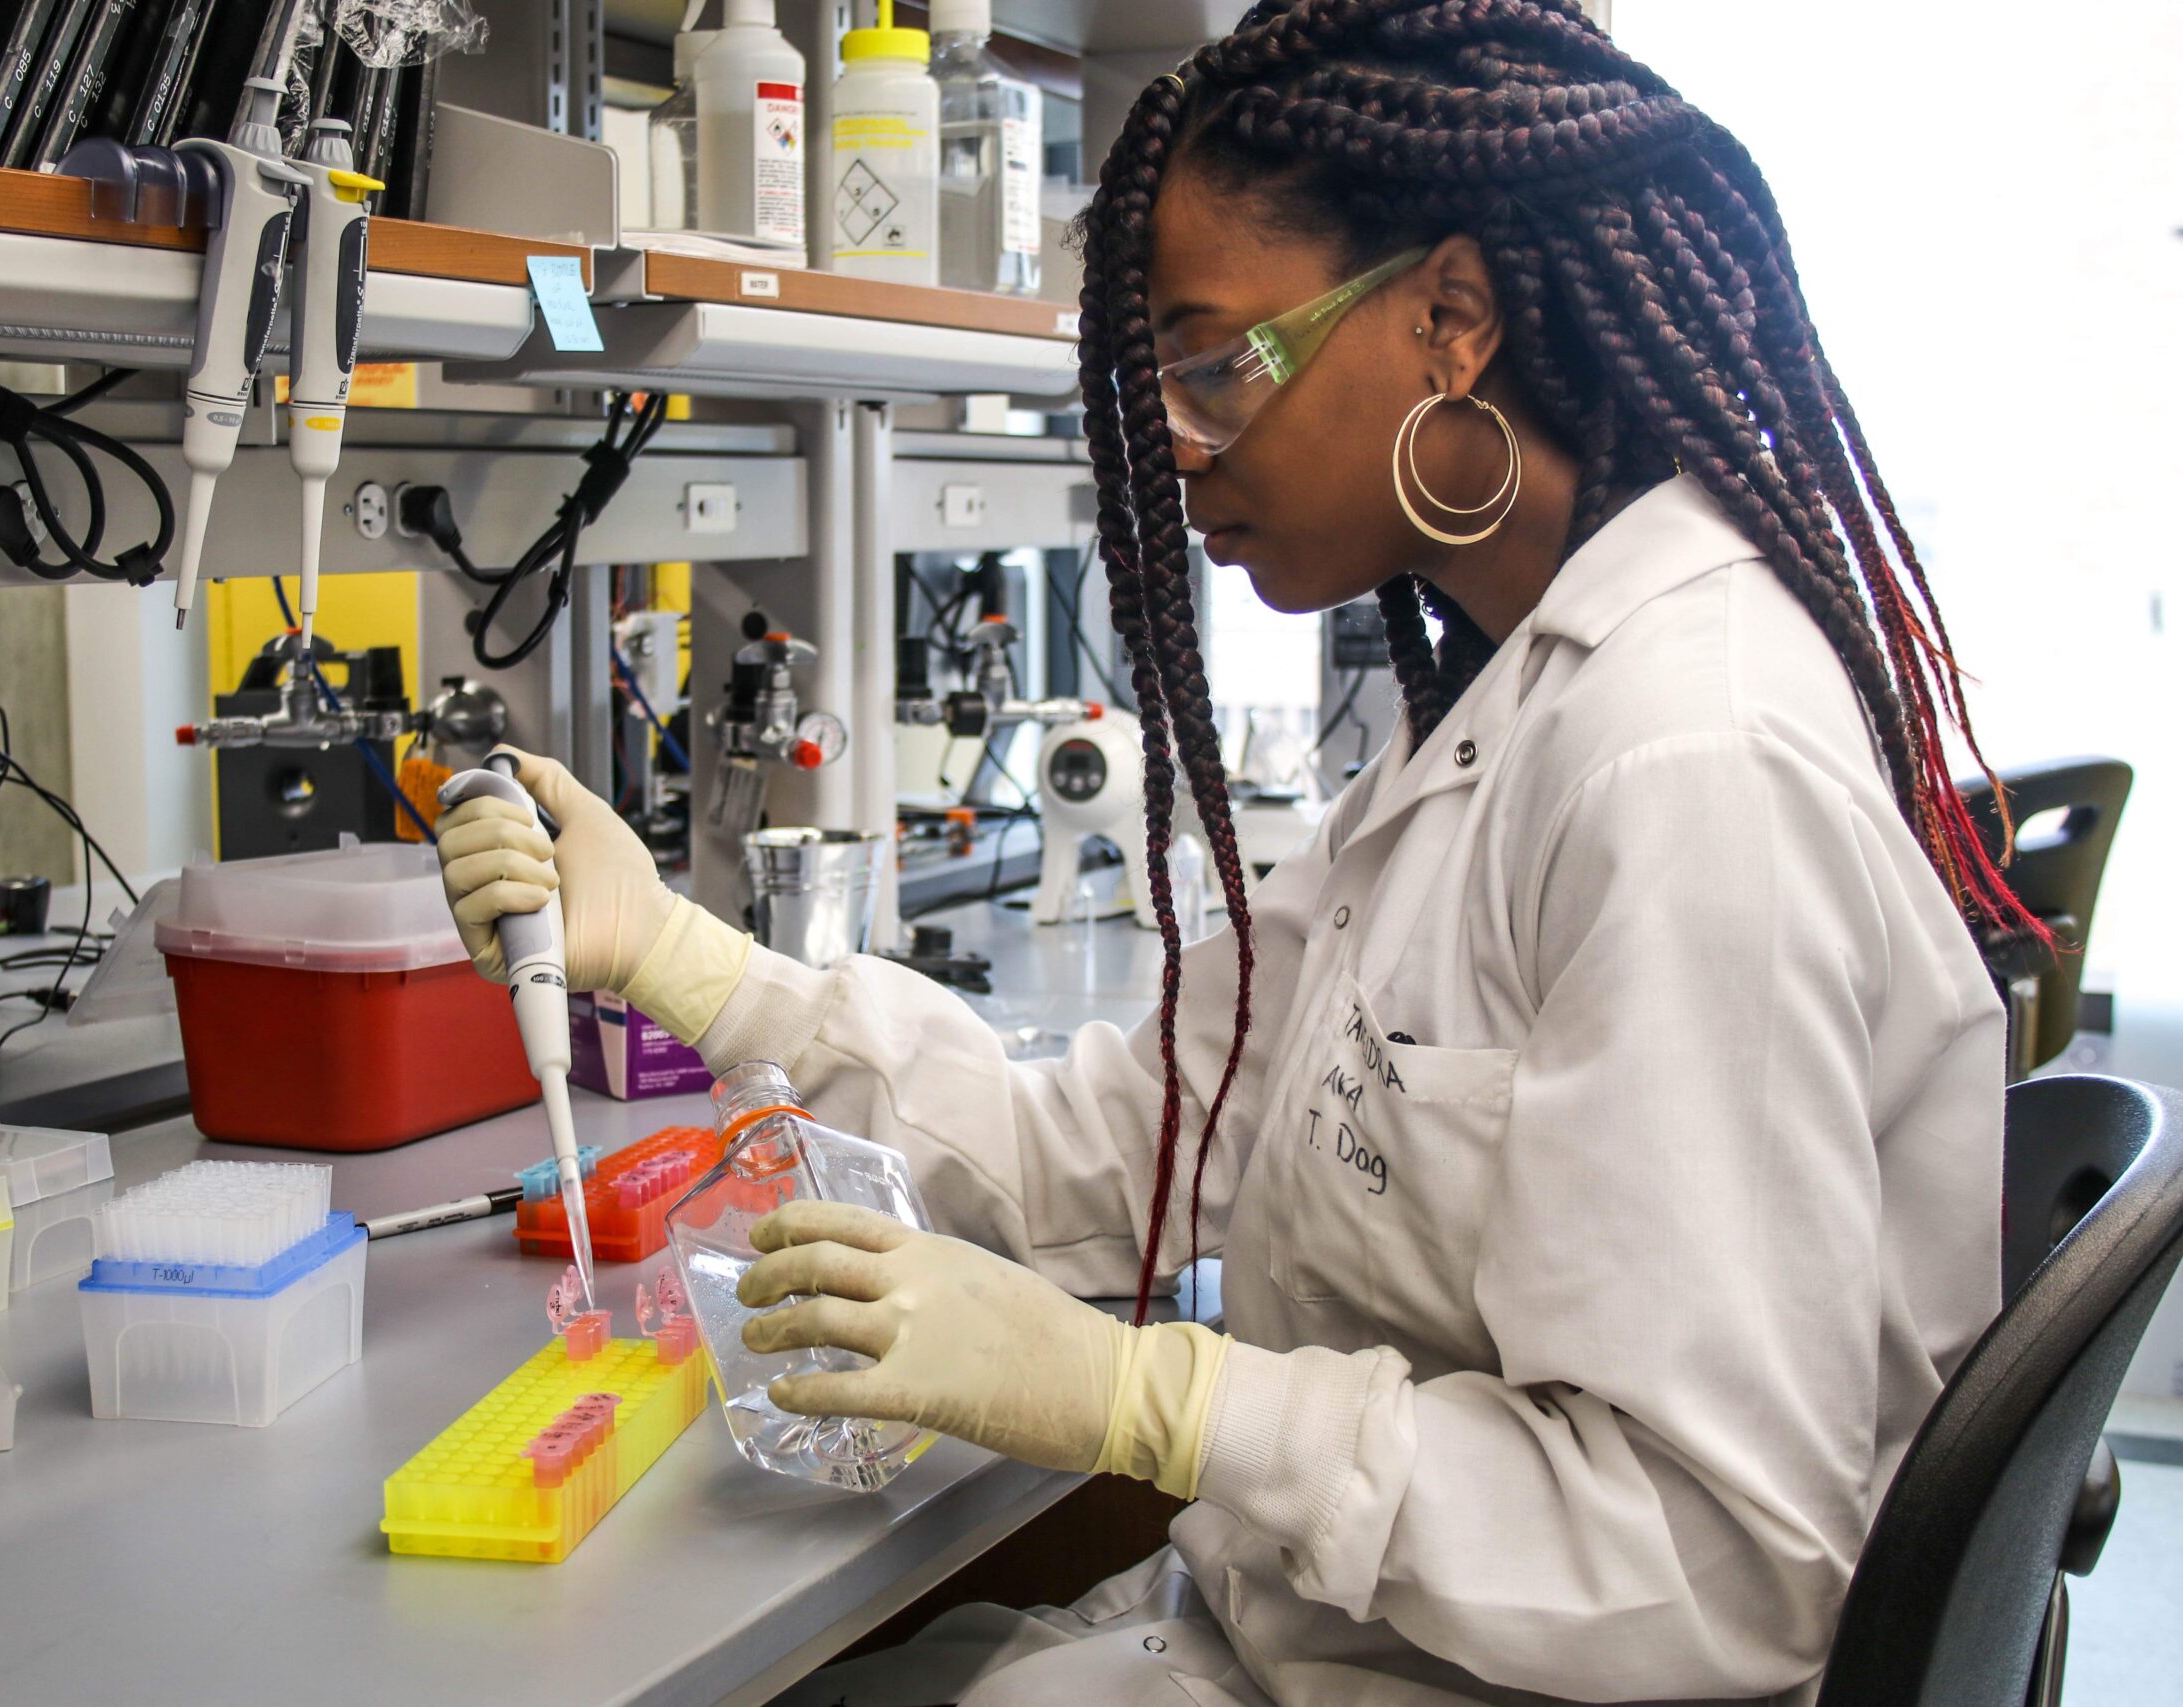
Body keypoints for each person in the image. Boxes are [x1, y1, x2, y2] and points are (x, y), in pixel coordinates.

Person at [438, 2, 2030, 1701]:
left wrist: (1159, 1402)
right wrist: (689, 961)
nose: (1177, 444)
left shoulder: (1684, 761)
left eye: (1212, 365)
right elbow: (1117, 1146)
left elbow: (1716, 1553)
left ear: (1453, 319)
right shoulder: (1500, 716)